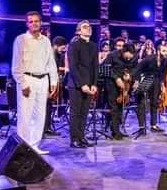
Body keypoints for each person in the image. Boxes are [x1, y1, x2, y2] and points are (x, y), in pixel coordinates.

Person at [11, 11, 59, 155]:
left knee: (40, 115)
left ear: (41, 22)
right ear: (27, 24)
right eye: (31, 21)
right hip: (28, 79)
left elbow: (51, 62)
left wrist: (53, 81)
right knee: (25, 115)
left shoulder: (46, 41)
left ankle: (34, 146)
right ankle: (23, 148)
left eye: (36, 21)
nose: (34, 24)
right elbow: (16, 64)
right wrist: (22, 83)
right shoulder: (21, 39)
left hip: (42, 80)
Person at [66, 20, 99, 148]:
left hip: (89, 84)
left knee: (85, 112)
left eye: (89, 27)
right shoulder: (74, 45)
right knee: (76, 112)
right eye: (85, 27)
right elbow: (73, 67)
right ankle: (74, 139)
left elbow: (95, 66)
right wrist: (81, 84)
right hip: (76, 84)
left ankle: (81, 137)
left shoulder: (94, 46)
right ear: (79, 31)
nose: (88, 28)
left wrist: (94, 84)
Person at [131, 42, 167, 134]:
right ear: (158, 51)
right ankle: (141, 127)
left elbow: (163, 73)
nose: (166, 53)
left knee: (155, 102)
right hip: (146, 79)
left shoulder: (165, 60)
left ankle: (153, 125)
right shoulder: (149, 59)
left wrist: (162, 84)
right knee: (141, 103)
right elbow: (138, 69)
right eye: (164, 51)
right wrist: (136, 81)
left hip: (156, 82)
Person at [107, 43, 137, 140]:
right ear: (123, 52)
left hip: (125, 85)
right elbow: (105, 68)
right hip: (112, 83)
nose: (128, 59)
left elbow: (135, 68)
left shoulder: (134, 56)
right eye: (127, 57)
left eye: (130, 58)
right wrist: (116, 78)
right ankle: (115, 132)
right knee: (114, 107)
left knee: (121, 107)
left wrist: (130, 75)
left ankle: (117, 129)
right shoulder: (112, 55)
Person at [44, 36, 68, 137]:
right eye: (63, 47)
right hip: (46, 83)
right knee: (45, 107)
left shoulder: (58, 55)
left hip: (52, 83)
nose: (63, 50)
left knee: (49, 107)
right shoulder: (49, 54)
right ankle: (44, 129)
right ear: (56, 46)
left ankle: (47, 128)